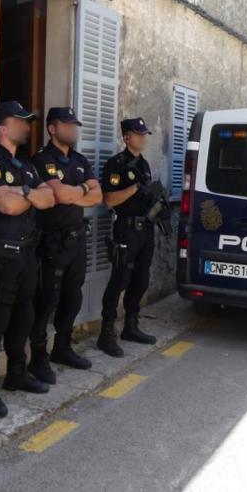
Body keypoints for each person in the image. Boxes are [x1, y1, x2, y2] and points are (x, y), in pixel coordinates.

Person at [0, 100, 56, 417]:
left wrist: (23, 192)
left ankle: (16, 373)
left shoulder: (26, 166)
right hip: (1, 254)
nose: (27, 126)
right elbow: (6, 206)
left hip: (27, 252)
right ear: (3, 128)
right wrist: (30, 194)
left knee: (25, 315)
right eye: (21, 121)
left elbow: (51, 198)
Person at [27, 107, 102, 384]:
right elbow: (58, 195)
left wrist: (75, 193)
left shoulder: (80, 160)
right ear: (52, 128)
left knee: (73, 297)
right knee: (46, 300)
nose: (73, 129)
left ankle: (62, 347)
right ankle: (38, 357)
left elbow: (98, 196)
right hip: (51, 241)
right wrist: (82, 189)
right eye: (68, 125)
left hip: (76, 239)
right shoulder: (41, 158)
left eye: (75, 125)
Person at [97, 117, 158, 358]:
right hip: (126, 229)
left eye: (144, 134)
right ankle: (106, 333)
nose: (143, 138)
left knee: (141, 280)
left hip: (146, 230)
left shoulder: (144, 164)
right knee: (119, 280)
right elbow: (109, 200)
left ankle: (131, 326)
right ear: (126, 137)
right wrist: (134, 188)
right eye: (138, 134)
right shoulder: (117, 164)